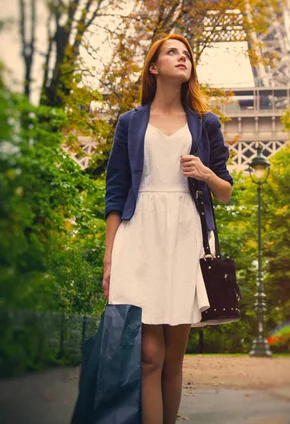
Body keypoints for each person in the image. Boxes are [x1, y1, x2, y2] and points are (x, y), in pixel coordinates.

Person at [102, 33, 233, 424]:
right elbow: (115, 191)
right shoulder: (129, 122)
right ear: (153, 66)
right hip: (139, 233)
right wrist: (109, 260)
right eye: (172, 52)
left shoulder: (206, 124)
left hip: (183, 236)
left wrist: (206, 173)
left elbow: (225, 192)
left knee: (173, 358)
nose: (182, 57)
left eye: (187, 54)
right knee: (149, 356)